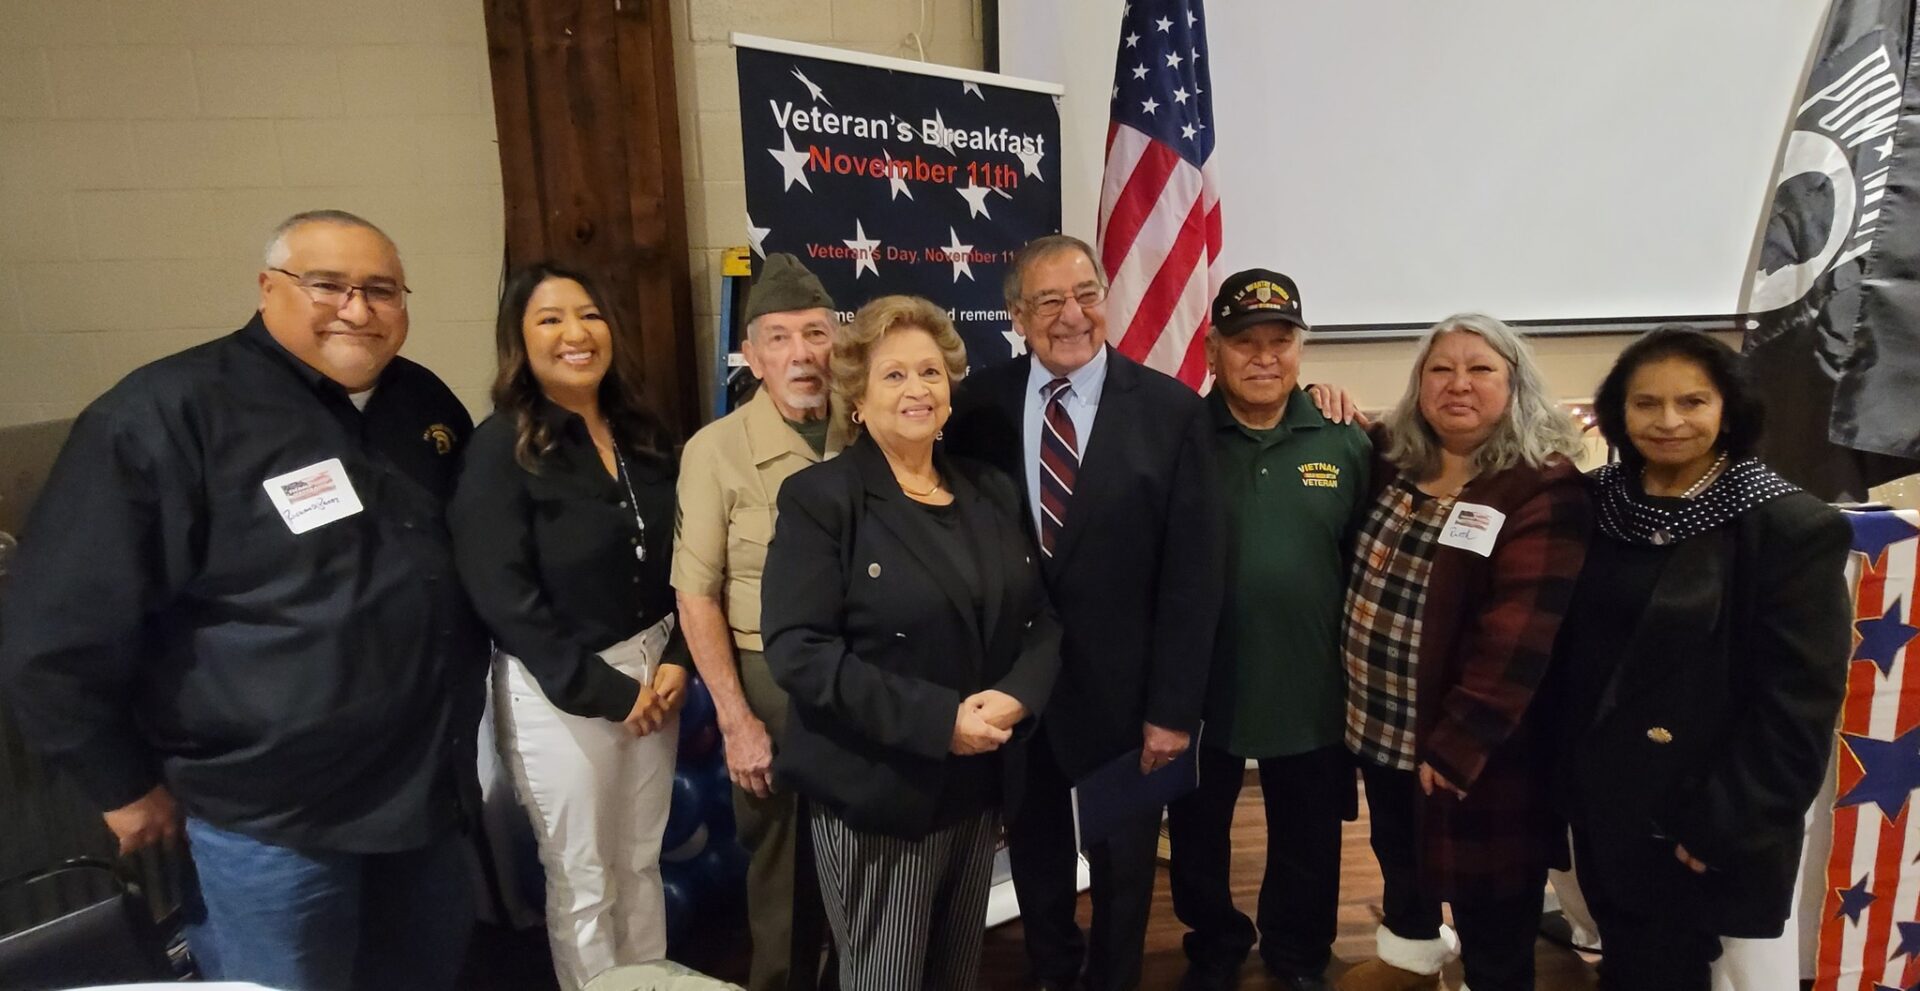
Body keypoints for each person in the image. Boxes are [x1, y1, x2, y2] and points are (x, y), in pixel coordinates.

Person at [0, 210, 485, 989]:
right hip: (272, 824)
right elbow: (52, 634)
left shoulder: (420, 402)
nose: (357, 309)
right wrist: (119, 784)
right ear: (268, 289)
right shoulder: (165, 415)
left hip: (424, 800)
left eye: (382, 290)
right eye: (328, 284)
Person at [944, 234, 1225, 991]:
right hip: (1016, 696)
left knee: (1126, 870)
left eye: (1087, 294)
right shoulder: (975, 409)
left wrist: (1173, 710)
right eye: (1049, 301)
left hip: (1129, 703)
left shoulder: (1171, 412)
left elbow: (1193, 579)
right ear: (1015, 315)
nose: (1073, 315)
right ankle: (1050, 973)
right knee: (1035, 859)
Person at [760, 294, 1061, 990]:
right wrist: (939, 722)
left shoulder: (989, 490)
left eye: (930, 372)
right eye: (894, 375)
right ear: (857, 398)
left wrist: (1018, 698)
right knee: (886, 979)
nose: (918, 389)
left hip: (979, 790)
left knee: (953, 975)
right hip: (880, 795)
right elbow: (797, 649)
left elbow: (1042, 619)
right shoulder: (821, 499)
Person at [1556, 327, 1851, 990]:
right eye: (1646, 403)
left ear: (1728, 410)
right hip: (1602, 804)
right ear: (1618, 412)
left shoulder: (1784, 524)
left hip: (1695, 819)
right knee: (1629, 963)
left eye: (1692, 402)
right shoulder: (1598, 501)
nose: (1667, 421)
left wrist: (1725, 825)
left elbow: (1799, 705)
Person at [449, 264, 688, 989]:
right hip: (564, 684)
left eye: (589, 314)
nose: (575, 333)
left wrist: (679, 654)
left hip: (658, 668)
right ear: (519, 340)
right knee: (584, 878)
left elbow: (687, 553)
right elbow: (503, 595)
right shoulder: (502, 449)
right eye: (550, 319)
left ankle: (647, 981)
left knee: (641, 859)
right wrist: (608, 692)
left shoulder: (642, 432)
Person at [1337, 313, 1591, 991]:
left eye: (1480, 369)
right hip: (1379, 726)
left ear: (1515, 384)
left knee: (1493, 898)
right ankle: (1411, 963)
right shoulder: (1393, 457)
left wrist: (1459, 742)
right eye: (1440, 369)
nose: (1458, 384)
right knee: (1400, 856)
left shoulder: (1542, 485)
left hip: (1475, 751)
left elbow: (1521, 631)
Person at [1166, 270, 1371, 991]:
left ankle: (1297, 950)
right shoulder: (1179, 436)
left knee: (1308, 835)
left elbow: (1366, 557)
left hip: (1310, 679)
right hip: (1202, 684)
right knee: (1196, 834)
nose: (1263, 357)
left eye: (1279, 341)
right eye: (1243, 342)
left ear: (1301, 348)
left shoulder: (1344, 439)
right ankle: (1215, 943)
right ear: (1213, 349)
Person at [673, 252, 850, 991]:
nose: (801, 353)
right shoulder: (715, 451)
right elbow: (697, 593)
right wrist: (737, 716)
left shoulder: (869, 423)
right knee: (780, 868)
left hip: (864, 675)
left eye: (815, 332)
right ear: (749, 354)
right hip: (770, 677)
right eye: (778, 337)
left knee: (865, 864)